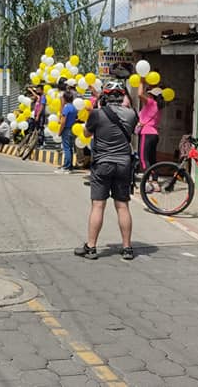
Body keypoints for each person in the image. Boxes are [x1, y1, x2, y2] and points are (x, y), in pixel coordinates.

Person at [75, 81, 138, 261]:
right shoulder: (132, 114)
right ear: (122, 96)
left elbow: (87, 134)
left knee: (98, 205)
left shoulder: (97, 114)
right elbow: (132, 130)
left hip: (102, 163)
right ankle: (127, 248)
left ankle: (91, 247)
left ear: (105, 96)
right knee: (122, 206)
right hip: (124, 164)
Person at [137, 85, 166, 190]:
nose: (148, 95)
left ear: (153, 96)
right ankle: (155, 181)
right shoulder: (159, 106)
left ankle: (147, 182)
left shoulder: (151, 103)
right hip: (154, 134)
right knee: (152, 159)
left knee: (143, 158)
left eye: (150, 94)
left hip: (146, 133)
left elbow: (139, 94)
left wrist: (141, 81)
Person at [56, 92, 78, 174]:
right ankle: (70, 167)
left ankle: (66, 167)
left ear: (65, 99)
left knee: (66, 148)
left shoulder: (66, 108)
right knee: (70, 148)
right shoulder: (74, 108)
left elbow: (63, 122)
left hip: (66, 129)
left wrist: (59, 131)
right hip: (73, 129)